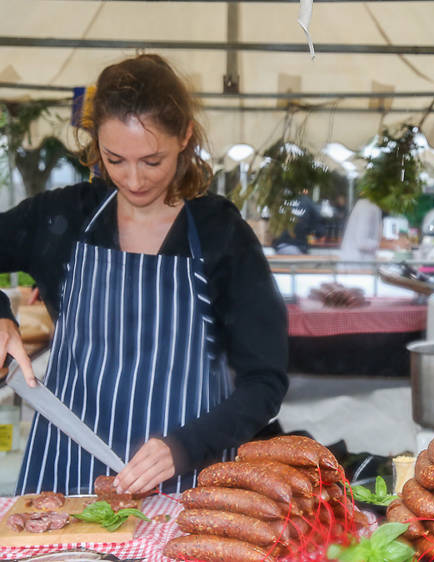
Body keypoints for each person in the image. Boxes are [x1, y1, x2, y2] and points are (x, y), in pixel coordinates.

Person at [0, 54, 289, 495]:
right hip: (65, 480)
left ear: (185, 137)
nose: (133, 180)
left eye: (152, 161)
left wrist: (185, 446)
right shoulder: (63, 215)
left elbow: (265, 381)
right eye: (115, 159)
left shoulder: (221, 233)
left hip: (187, 482)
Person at [271, 189, 324, 254]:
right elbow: (320, 231)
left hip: (278, 246)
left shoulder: (281, 200)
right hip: (298, 246)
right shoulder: (308, 202)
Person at [338, 198, 382, 264]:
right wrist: (378, 244)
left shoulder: (365, 205)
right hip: (357, 264)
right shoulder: (368, 208)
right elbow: (361, 242)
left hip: (354, 263)